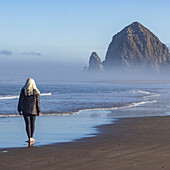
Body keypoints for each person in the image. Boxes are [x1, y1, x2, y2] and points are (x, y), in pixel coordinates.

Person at [18, 78, 41, 144]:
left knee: (27, 124)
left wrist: (19, 109)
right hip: (34, 110)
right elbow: (37, 103)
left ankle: (29, 137)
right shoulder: (36, 92)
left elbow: (20, 101)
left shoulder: (23, 91)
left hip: (25, 110)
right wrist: (39, 110)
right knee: (32, 123)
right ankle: (32, 137)